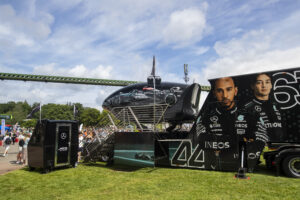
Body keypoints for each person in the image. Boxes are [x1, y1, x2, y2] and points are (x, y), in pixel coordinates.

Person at [244, 73, 283, 142]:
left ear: (271, 85)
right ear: (253, 86)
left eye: (267, 82)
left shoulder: (277, 106)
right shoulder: (247, 108)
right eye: (259, 82)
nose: (264, 86)